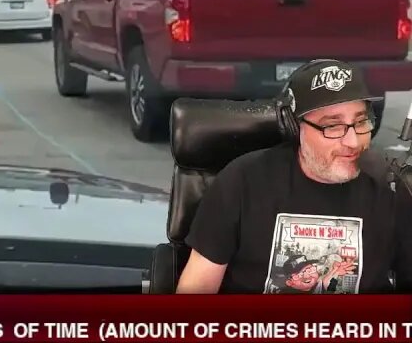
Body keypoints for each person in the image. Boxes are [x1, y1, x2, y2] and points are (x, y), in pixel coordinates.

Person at [176, 59, 412, 293]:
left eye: (360, 122)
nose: (353, 142)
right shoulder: (242, 182)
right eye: (332, 126)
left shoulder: (390, 188)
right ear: (295, 127)